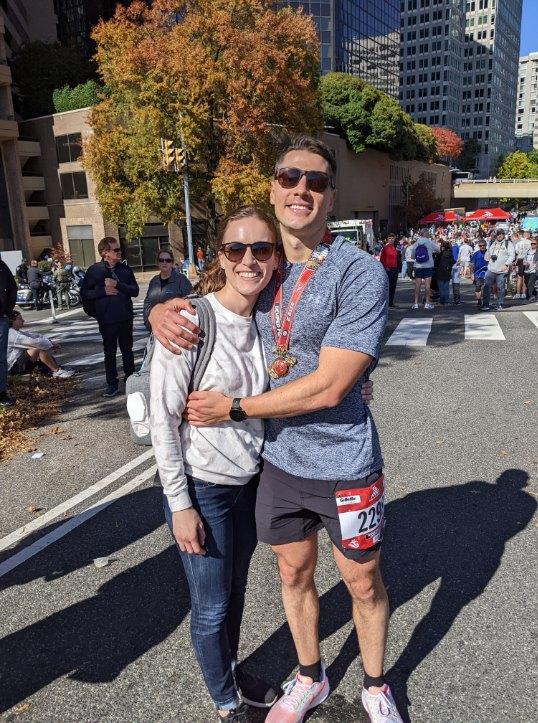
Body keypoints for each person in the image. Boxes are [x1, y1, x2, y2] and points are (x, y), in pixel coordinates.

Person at [148, 136, 401, 723]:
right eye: (290, 177)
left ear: (331, 196)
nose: (301, 189)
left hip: (345, 460)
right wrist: (157, 309)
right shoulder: (265, 270)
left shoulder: (358, 273)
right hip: (280, 465)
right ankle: (310, 675)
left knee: (362, 583)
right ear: (273, 188)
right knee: (292, 573)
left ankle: (375, 684)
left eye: (315, 181)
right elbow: (216, 300)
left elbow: (334, 384)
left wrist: (236, 408)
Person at [151, 207, 282, 722]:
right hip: (202, 488)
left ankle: (229, 669)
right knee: (209, 606)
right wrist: (180, 505)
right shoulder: (191, 323)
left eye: (261, 250)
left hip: (248, 483)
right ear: (219, 257)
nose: (249, 260)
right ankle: (226, 703)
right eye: (236, 249)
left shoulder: (270, 320)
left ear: (274, 258)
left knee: (235, 593)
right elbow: (163, 422)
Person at [80, 237, 139, 397]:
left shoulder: (125, 270)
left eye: (119, 250)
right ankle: (112, 384)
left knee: (128, 350)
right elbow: (84, 293)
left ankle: (130, 379)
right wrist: (102, 291)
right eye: (116, 250)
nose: (120, 252)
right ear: (105, 253)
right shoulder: (94, 270)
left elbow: (135, 291)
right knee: (110, 352)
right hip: (107, 319)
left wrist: (117, 285)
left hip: (125, 317)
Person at [7, 310, 74, 378]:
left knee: (40, 347)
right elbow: (33, 342)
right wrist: (51, 345)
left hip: (17, 363)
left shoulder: (15, 332)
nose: (23, 320)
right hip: (12, 368)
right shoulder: (12, 335)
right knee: (38, 350)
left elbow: (35, 336)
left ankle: (51, 369)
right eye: (20, 319)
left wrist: (50, 343)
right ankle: (56, 371)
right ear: (12, 321)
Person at [143, 249, 193, 331]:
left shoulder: (181, 279)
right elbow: (147, 304)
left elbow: (190, 301)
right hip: (156, 327)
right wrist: (149, 324)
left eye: (168, 260)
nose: (164, 262)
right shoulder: (153, 281)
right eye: (161, 260)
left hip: (175, 328)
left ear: (172, 263)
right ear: (158, 263)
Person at [482, 230, 515, 311]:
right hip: (491, 269)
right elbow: (487, 255)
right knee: (486, 286)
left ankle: (499, 304)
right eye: (498, 234)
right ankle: (485, 304)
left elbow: (512, 256)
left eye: (501, 234)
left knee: (501, 288)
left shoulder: (508, 244)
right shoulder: (493, 243)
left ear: (503, 235)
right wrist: (488, 256)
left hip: (502, 270)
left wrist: (506, 264)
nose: (499, 235)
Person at [0, 254, 18, 407]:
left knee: (1, 356)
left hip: (1, 317)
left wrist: (7, 309)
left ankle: (2, 392)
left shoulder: (1, 265)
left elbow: (12, 286)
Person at [410, 231, 440, 310]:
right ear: (427, 235)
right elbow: (438, 249)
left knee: (417, 285)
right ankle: (427, 303)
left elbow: (412, 256)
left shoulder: (416, 243)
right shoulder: (429, 242)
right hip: (428, 265)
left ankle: (416, 303)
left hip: (418, 265)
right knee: (427, 285)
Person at [379, 233, 399, 307]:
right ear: (388, 239)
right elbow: (382, 259)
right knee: (388, 286)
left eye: (392, 238)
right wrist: (385, 267)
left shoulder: (394, 247)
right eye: (389, 238)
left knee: (393, 286)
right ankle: (386, 303)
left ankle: (391, 302)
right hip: (388, 269)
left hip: (394, 268)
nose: (391, 239)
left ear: (394, 239)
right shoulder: (385, 248)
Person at [433, 240, 454, 305]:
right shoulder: (450, 254)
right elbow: (453, 262)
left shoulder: (440, 254)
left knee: (441, 288)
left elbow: (435, 263)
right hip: (447, 271)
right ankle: (446, 301)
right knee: (446, 287)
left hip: (439, 271)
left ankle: (442, 301)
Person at [470, 239, 488, 308]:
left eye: (483, 245)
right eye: (480, 246)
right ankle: (479, 301)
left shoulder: (489, 252)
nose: (482, 247)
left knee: (487, 287)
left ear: (486, 245)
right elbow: (471, 264)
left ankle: (487, 301)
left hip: (488, 273)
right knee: (478, 287)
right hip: (478, 273)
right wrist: (471, 274)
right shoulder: (476, 254)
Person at [513, 232, 530, 300]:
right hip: (527, 260)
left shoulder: (519, 243)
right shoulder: (530, 242)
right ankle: (523, 293)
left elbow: (516, 252)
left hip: (520, 259)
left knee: (519, 277)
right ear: (527, 235)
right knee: (525, 277)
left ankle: (518, 293)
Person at [523, 238, 538, 302]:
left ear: (537, 245)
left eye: (534, 244)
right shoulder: (528, 251)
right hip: (527, 270)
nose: (533, 245)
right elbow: (524, 259)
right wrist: (525, 263)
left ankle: (528, 298)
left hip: (534, 270)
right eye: (531, 243)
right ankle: (535, 293)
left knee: (530, 284)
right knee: (527, 283)